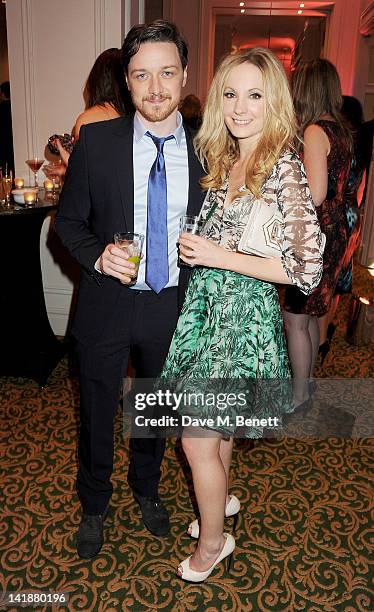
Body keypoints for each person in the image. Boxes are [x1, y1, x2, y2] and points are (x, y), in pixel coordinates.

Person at [160, 47, 324, 582]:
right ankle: (220, 503)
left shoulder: (284, 168)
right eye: (230, 93)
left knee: (195, 439)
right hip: (210, 310)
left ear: (273, 100)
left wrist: (217, 255)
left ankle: (212, 545)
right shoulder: (228, 159)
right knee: (219, 432)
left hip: (241, 321)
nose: (240, 107)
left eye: (254, 95)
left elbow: (307, 268)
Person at [55, 20, 206, 559]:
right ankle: (94, 503)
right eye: (142, 75)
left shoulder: (211, 148)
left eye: (168, 73)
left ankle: (147, 489)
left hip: (174, 303)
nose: (157, 88)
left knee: (157, 408)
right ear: (126, 79)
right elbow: (66, 224)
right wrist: (98, 254)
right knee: (96, 409)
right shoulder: (97, 141)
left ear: (185, 75)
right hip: (107, 302)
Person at [283, 59, 352, 399]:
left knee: (294, 317)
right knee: (309, 317)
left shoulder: (313, 131)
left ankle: (298, 394)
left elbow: (316, 193)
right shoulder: (340, 129)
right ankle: (306, 383)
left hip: (315, 237)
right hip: (336, 229)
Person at [44, 47, 130, 180]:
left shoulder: (88, 119)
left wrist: (70, 165)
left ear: (97, 80)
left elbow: (87, 179)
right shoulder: (135, 119)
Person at [0, 81, 14, 176]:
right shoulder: (15, 107)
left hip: (2, 146)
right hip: (13, 145)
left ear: (2, 93)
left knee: (4, 173)